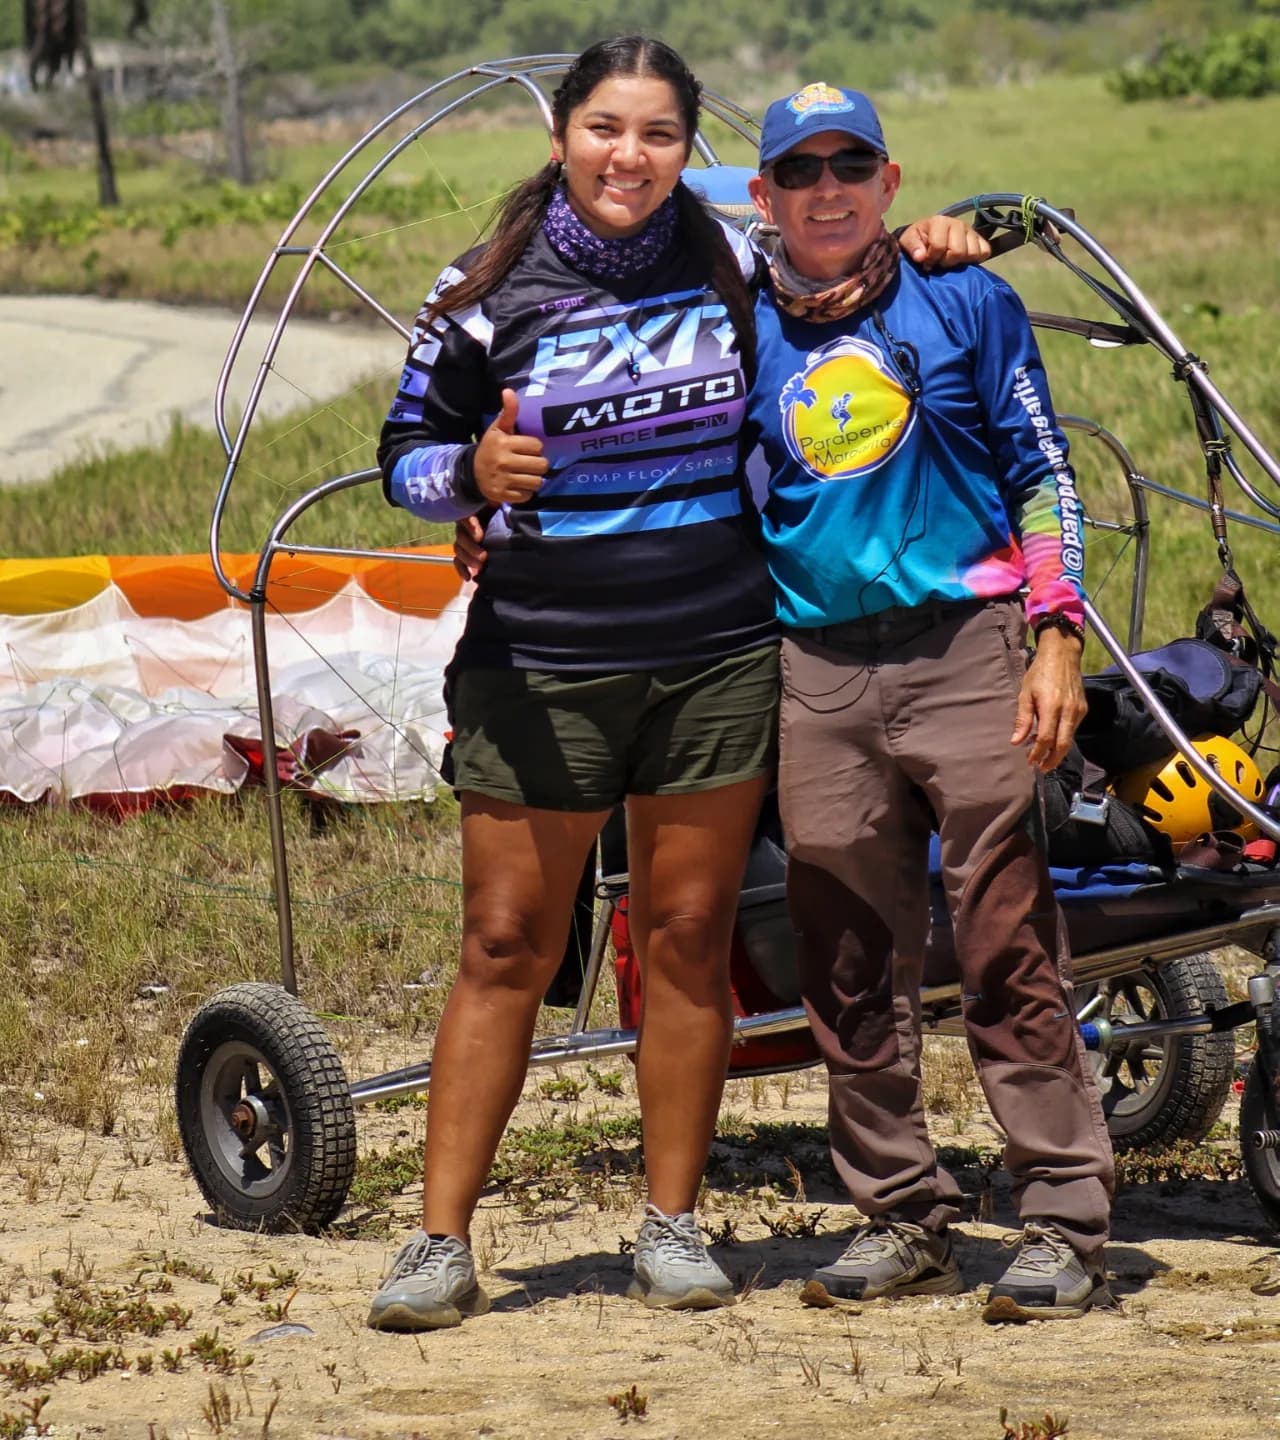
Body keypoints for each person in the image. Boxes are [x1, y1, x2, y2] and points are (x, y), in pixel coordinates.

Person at [367, 39, 979, 1332]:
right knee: (504, 945)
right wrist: (468, 477)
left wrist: (935, 235)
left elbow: (849, 263)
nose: (628, 156)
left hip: (717, 652)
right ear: (559, 139)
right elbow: (403, 455)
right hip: (541, 661)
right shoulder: (481, 290)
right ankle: (438, 1243)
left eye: (656, 133)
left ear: (687, 148)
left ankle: (673, 1225)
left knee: (688, 940)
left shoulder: (738, 261)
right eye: (604, 128)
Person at [743, 83, 1115, 1322]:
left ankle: (1062, 1217)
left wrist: (1055, 641)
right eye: (801, 171)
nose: (829, 190)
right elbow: (641, 210)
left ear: (889, 180)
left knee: (1008, 941)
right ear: (766, 196)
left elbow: (1044, 472)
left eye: (852, 166)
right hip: (819, 668)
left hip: (969, 647)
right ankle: (902, 1214)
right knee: (847, 956)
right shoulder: (739, 321)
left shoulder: (966, 299)